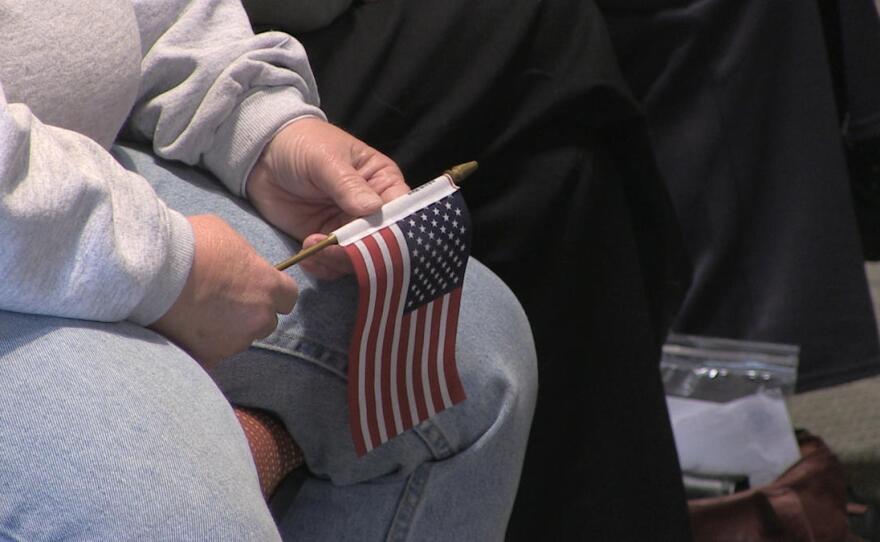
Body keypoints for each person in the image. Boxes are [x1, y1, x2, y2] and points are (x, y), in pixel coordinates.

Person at [0, 1, 537, 540]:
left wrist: (261, 125)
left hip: (74, 158)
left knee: (481, 364)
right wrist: (168, 268)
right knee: (182, 520)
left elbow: (165, 15)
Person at [243, 0, 694, 539]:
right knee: (548, 27)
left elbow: (174, 29)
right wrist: (175, 260)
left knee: (560, 177)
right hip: (136, 161)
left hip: (207, 71)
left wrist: (266, 127)